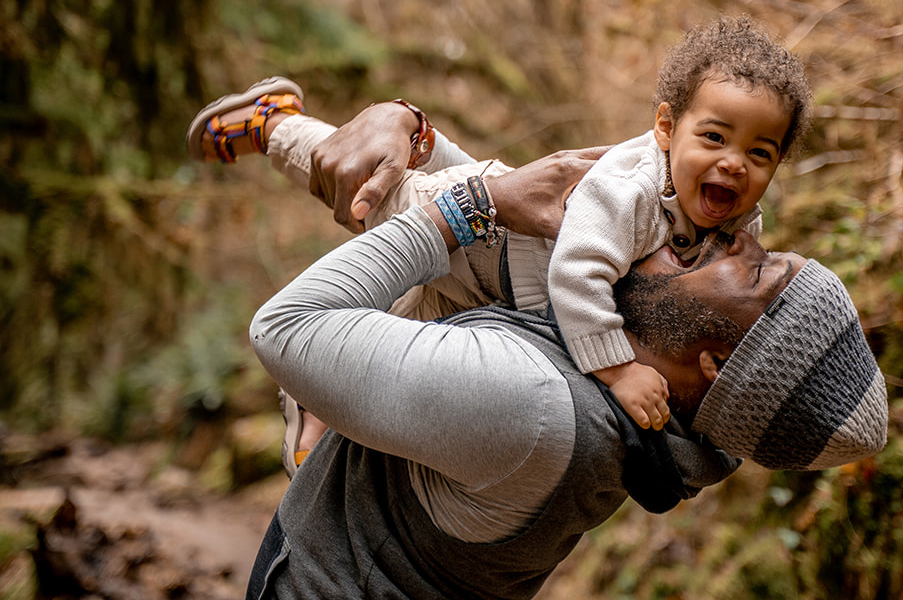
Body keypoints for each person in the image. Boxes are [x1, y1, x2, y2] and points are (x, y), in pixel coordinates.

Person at [229, 92, 889, 598]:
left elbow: (285, 327)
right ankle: (324, 418)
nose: (743, 236)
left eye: (757, 269)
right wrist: (410, 125)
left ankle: (320, 409)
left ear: (718, 363)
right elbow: (494, 235)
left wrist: (473, 205)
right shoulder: (624, 353)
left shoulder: (533, 409)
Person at [187, 16, 812, 438]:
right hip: (487, 228)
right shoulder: (634, 192)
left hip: (498, 286)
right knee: (372, 193)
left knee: (402, 335)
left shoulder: (732, 217)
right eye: (714, 137)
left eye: (761, 153)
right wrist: (618, 370)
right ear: (666, 129)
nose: (735, 162)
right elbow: (576, 275)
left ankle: (314, 401)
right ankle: (275, 122)